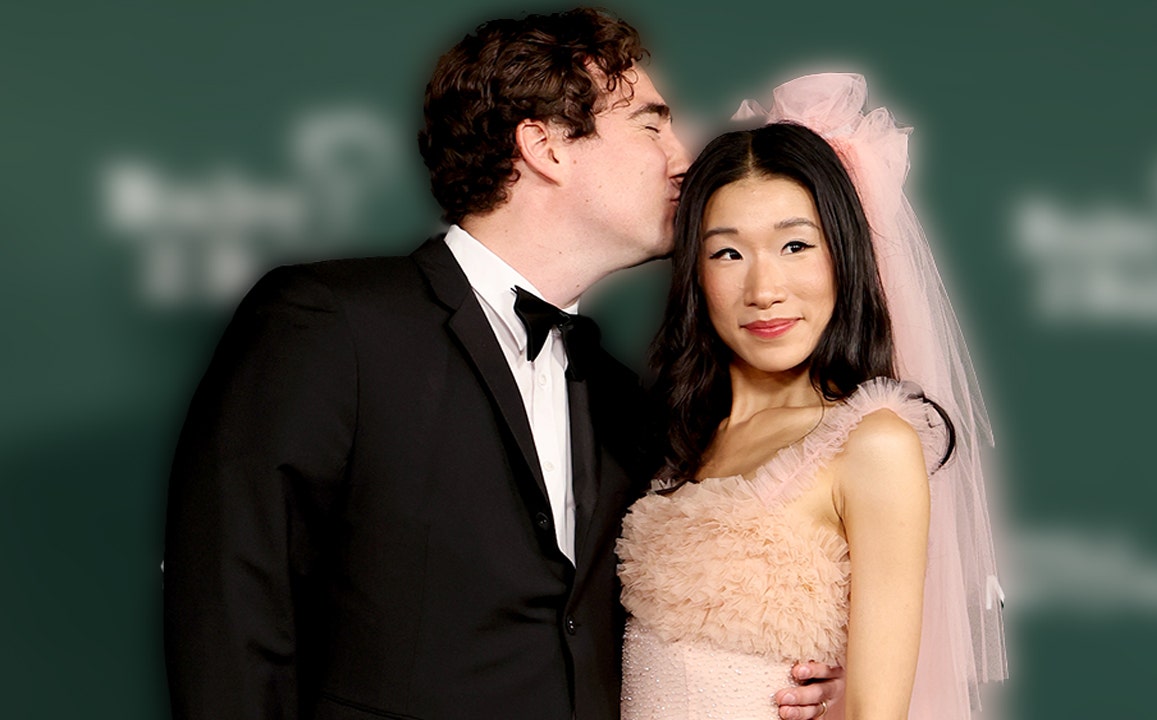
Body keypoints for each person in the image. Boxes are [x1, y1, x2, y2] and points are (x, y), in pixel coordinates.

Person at [163, 9, 841, 720]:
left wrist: (775, 676)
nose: (685, 157)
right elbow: (229, 608)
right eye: (651, 125)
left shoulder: (623, 398)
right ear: (545, 146)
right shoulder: (331, 323)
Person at [616, 74, 1008, 719]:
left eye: (796, 245)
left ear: (843, 256)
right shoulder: (663, 434)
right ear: (694, 272)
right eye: (727, 253)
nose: (764, 290)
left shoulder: (872, 444)